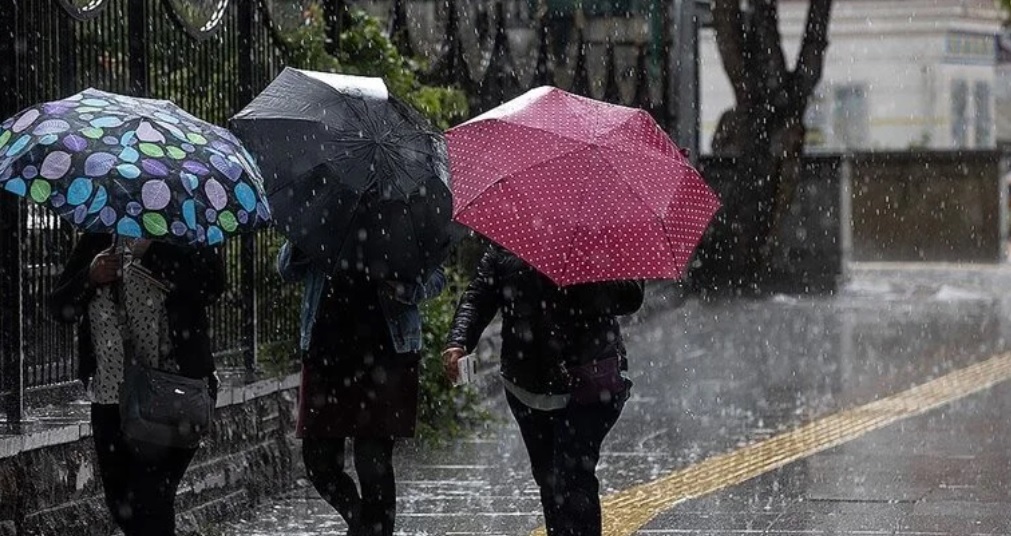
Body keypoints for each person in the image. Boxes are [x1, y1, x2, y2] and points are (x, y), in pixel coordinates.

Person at [443, 244, 644, 536]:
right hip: (526, 384)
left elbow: (632, 295)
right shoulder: (508, 241)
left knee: (574, 475)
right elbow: (478, 297)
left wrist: (581, 278)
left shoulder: (601, 235)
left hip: (589, 381)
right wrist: (458, 341)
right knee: (548, 478)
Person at [49, 234, 225, 536]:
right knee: (121, 504)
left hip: (171, 395)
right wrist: (89, 277)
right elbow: (59, 306)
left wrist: (153, 252)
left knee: (152, 498)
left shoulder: (183, 231)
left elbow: (211, 286)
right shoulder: (100, 237)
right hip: (111, 396)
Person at [277, 242, 446, 536]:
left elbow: (436, 277)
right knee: (319, 464)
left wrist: (406, 290)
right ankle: (362, 526)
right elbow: (287, 270)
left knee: (373, 464)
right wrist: (302, 240)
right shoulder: (325, 209)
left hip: (386, 356)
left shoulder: (400, 210)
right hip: (326, 355)